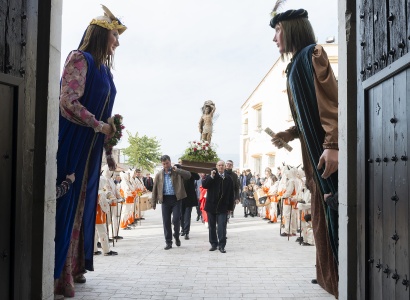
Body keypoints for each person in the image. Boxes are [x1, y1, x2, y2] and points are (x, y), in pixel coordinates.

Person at [54, 5, 126, 298]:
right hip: (73, 140)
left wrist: (110, 136)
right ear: (99, 34)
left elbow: (104, 112)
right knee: (66, 204)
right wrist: (99, 125)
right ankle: (56, 273)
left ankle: (70, 268)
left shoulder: (104, 69)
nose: (117, 42)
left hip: (91, 146)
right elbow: (67, 101)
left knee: (81, 207)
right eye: (114, 35)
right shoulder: (78, 58)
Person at [269, 7, 338, 297]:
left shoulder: (313, 55)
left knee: (332, 215)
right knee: (322, 218)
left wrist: (333, 145)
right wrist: (289, 132)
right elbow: (306, 118)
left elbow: (331, 106)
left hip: (326, 158)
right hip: (313, 160)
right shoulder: (295, 65)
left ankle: (338, 279)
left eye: (278, 31)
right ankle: (328, 277)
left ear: (292, 29)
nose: (275, 39)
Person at [152, 155, 191, 250]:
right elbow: (154, 189)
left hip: (176, 199)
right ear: (162, 164)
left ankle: (176, 236)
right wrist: (153, 202)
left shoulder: (176, 172)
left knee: (176, 219)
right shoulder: (159, 175)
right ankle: (168, 242)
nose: (166, 165)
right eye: (164, 164)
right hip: (165, 200)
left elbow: (188, 175)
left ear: (170, 162)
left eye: (167, 163)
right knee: (166, 222)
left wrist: (177, 170)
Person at [201, 160, 234, 253]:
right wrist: (211, 176)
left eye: (222, 165)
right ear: (216, 166)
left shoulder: (228, 178)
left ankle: (222, 245)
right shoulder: (212, 176)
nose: (221, 167)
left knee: (221, 227)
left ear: (225, 167)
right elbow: (204, 185)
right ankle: (213, 244)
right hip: (211, 206)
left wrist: (230, 208)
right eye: (219, 165)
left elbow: (231, 194)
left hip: (223, 206)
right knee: (211, 227)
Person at [179, 169, 200, 240]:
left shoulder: (190, 172)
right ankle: (182, 229)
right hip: (180, 197)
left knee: (187, 215)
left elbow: (197, 177)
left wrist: (191, 170)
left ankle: (186, 232)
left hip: (189, 197)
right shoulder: (178, 170)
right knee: (181, 214)